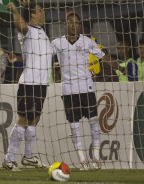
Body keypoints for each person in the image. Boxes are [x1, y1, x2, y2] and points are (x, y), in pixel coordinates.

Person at [51, 11, 105, 170]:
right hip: (68, 90)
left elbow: (102, 56)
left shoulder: (87, 41)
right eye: (70, 22)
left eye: (75, 22)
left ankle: (96, 155)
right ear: (65, 24)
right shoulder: (57, 43)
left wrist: (120, 68)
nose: (73, 25)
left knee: (94, 122)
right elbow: (42, 55)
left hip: (86, 88)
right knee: (74, 126)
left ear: (80, 24)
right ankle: (82, 160)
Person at [2, 1, 53, 171]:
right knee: (24, 120)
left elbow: (35, 56)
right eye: (40, 10)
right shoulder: (28, 30)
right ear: (32, 14)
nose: (43, 13)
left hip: (42, 84)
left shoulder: (42, 32)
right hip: (29, 83)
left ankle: (28, 157)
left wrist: (18, 59)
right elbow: (21, 27)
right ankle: (9, 159)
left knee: (34, 119)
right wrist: (16, 10)